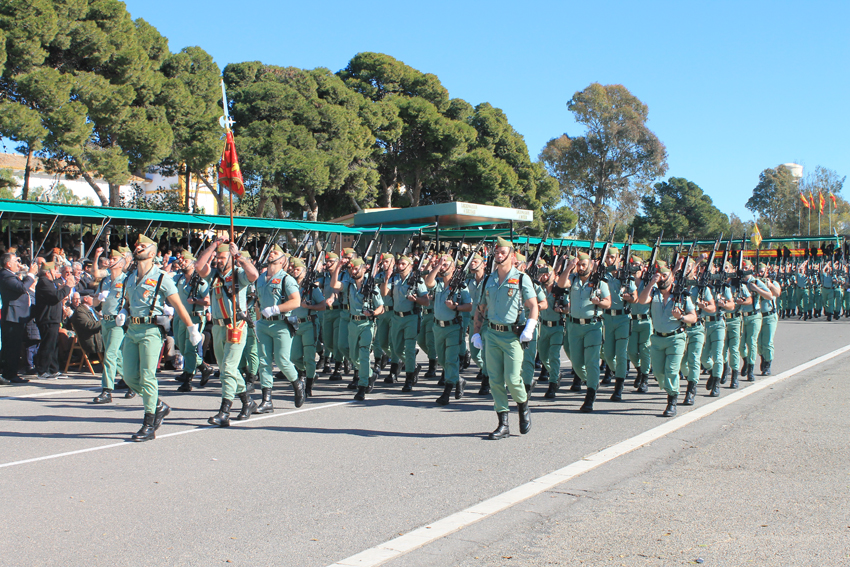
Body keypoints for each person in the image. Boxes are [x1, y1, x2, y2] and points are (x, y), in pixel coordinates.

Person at [115, 235, 203, 441]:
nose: (138, 248)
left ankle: (149, 423)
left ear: (152, 253)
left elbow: (179, 305)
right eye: (137, 246)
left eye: (143, 246)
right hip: (132, 330)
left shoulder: (162, 277)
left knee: (147, 376)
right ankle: (158, 405)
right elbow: (127, 302)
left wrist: (192, 328)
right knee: (129, 376)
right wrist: (124, 311)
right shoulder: (130, 277)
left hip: (151, 331)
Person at [472, 237, 538, 439]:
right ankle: (503, 424)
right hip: (492, 334)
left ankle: (523, 406)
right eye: (497, 252)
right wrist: (476, 332)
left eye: (502, 252)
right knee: (495, 380)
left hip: (512, 336)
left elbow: (533, 306)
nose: (499, 255)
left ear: (512, 255)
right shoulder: (489, 280)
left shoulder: (521, 278)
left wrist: (530, 327)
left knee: (512, 379)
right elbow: (480, 308)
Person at [195, 240, 260, 426]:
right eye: (218, 258)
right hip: (218, 327)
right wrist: (212, 247)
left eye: (223, 258)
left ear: (231, 259)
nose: (219, 261)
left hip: (235, 326)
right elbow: (199, 266)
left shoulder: (239, 274)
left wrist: (238, 256)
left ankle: (225, 412)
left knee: (229, 368)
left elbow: (254, 274)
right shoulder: (214, 275)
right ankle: (247, 401)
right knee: (225, 368)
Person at [636, 260, 697, 417]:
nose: (662, 278)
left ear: (672, 278)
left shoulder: (681, 296)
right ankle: (670, 389)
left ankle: (672, 401)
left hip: (676, 338)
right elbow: (641, 300)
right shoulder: (654, 293)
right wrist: (651, 283)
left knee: (671, 370)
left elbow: (693, 317)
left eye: (665, 275)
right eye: (659, 276)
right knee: (658, 373)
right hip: (657, 339)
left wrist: (681, 317)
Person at [555, 251, 611, 413]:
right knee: (577, 363)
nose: (580, 268)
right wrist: (569, 267)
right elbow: (560, 284)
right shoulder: (573, 279)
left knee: (591, 361)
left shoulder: (600, 282)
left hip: (592, 326)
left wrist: (598, 302)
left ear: (591, 266)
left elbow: (608, 303)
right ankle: (591, 381)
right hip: (574, 326)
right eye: (579, 265)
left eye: (583, 265)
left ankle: (590, 394)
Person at [254, 245, 303, 414]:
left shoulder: (286, 279)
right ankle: (267, 400)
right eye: (270, 252)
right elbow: (258, 301)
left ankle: (297, 383)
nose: (271, 254)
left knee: (282, 360)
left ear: (282, 260)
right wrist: (257, 319)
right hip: (263, 324)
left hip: (281, 324)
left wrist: (276, 309)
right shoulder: (261, 278)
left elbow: (296, 301)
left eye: (275, 252)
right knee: (264, 361)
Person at [331, 256, 384, 400]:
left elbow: (381, 307)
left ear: (364, 268)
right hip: (352, 323)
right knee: (354, 357)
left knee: (364, 354)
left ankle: (362, 386)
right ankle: (369, 374)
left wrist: (373, 313)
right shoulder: (349, 284)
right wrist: (338, 267)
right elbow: (334, 284)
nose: (353, 271)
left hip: (367, 323)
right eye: (351, 269)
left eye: (355, 268)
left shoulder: (371, 285)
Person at [423, 253, 472, 406]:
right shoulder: (437, 283)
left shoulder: (461, 286)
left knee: (451, 360)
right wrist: (437, 265)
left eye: (445, 265)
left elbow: (469, 306)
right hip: (438, 327)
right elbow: (428, 282)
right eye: (441, 265)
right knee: (443, 360)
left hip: (453, 327)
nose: (442, 267)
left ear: (453, 267)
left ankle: (446, 392)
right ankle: (458, 379)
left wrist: (455, 307)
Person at [91, 247, 133, 404]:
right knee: (117, 356)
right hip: (106, 320)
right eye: (110, 259)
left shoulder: (127, 280)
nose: (110, 261)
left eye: (114, 259)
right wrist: (98, 298)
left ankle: (107, 390)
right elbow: (95, 302)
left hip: (118, 322)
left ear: (121, 263)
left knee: (110, 354)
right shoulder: (105, 281)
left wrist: (125, 311)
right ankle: (131, 381)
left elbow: (132, 301)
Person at [382, 254, 429, 392]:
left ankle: (408, 379)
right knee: (396, 349)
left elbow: (426, 301)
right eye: (399, 264)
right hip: (397, 317)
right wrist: (386, 278)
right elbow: (384, 293)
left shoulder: (417, 280)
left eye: (403, 264)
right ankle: (413, 365)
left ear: (410, 266)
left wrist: (416, 299)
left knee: (409, 349)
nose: (400, 266)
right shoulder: (394, 279)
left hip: (411, 317)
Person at [172, 250, 214, 392]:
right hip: (179, 317)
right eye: (181, 260)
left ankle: (188, 379)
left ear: (193, 264)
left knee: (190, 348)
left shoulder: (200, 281)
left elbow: (208, 301)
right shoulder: (179, 279)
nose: (182, 263)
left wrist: (196, 300)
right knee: (181, 346)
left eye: (185, 260)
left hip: (194, 317)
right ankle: (203, 367)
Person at [288, 256, 326, 397]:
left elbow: (323, 305)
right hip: (295, 324)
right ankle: (307, 373)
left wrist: (309, 306)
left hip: (309, 323)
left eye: (297, 269)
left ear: (304, 270)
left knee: (309, 357)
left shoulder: (312, 288)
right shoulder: (290, 286)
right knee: (294, 356)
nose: (295, 271)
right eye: (293, 269)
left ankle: (308, 385)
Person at [0, 252, 39, 384]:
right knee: (12, 346)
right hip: (12, 316)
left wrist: (25, 274)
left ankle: (10, 373)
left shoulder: (11, 275)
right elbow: (22, 288)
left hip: (18, 315)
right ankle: (9, 374)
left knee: (14, 346)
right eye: (16, 261)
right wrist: (31, 274)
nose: (18, 263)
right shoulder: (5, 275)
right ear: (8, 264)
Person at [34, 260, 76, 380]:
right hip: (47, 318)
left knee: (53, 345)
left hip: (53, 318)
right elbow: (56, 296)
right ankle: (42, 370)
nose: (55, 273)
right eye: (54, 270)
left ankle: (53, 369)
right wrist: (67, 286)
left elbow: (57, 294)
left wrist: (64, 287)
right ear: (48, 272)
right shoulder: (44, 282)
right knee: (47, 345)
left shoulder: (50, 283)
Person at [600, 247, 631, 402]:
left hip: (622, 318)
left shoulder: (625, 275)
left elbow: (635, 297)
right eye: (607, 257)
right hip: (607, 318)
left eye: (612, 257)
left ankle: (619, 387)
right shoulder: (602, 275)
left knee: (621, 354)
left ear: (619, 258)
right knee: (607, 354)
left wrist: (627, 296)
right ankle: (618, 371)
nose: (609, 260)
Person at [623, 257, 653, 393]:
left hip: (646, 320)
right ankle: (640, 370)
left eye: (637, 264)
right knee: (631, 351)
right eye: (632, 264)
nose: (634, 267)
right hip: (632, 320)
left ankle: (645, 378)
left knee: (645, 350)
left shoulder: (648, 282)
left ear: (643, 267)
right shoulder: (628, 281)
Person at [756, 262, 781, 376]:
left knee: (768, 342)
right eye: (758, 272)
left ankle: (767, 364)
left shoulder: (773, 283)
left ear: (766, 272)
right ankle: (763, 357)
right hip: (758, 316)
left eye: (762, 271)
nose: (760, 274)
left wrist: (769, 285)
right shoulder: (755, 283)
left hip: (770, 316)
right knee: (759, 343)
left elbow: (777, 293)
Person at [69, 288, 104, 359]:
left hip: (98, 337)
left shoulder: (91, 309)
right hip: (92, 341)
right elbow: (89, 325)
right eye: (92, 297)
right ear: (85, 299)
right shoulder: (80, 311)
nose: (94, 299)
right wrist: (104, 322)